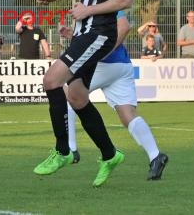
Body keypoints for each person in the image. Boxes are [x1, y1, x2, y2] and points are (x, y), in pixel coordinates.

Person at [35, 0, 134, 187]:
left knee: (51, 80)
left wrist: (88, 10)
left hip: (100, 32)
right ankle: (109, 153)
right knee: (76, 96)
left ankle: (63, 150)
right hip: (85, 30)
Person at [64, 12, 169, 180]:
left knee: (70, 94)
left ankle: (71, 149)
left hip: (104, 64)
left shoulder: (102, 1)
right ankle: (156, 156)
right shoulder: (96, 5)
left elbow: (124, 26)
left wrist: (104, 52)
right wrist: (72, 35)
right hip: (122, 65)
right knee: (128, 115)